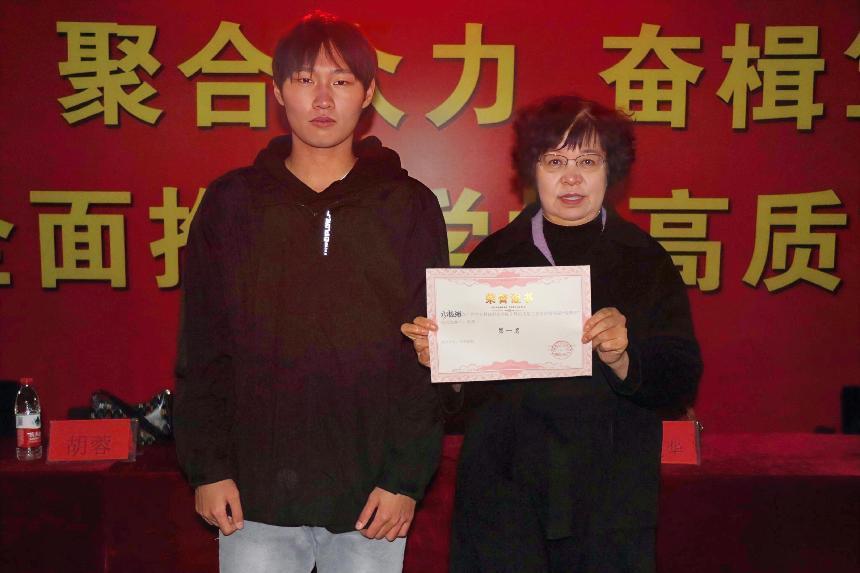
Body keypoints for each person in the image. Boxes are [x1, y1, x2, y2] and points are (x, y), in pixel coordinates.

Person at [174, 11, 448, 573]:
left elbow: (428, 355)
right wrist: (208, 468)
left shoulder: (409, 206)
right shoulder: (231, 204)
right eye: (305, 79)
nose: (323, 98)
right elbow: (202, 347)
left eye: (341, 80)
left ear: (367, 93)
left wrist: (405, 478)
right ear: (279, 91)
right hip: (254, 498)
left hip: (373, 501)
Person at [402, 95, 702, 572]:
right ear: (532, 169)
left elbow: (681, 378)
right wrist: (446, 364)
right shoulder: (494, 257)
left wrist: (625, 358)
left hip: (607, 502)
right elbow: (462, 401)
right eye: (555, 161)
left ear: (611, 169)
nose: (571, 178)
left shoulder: (646, 259)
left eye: (588, 161)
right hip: (506, 502)